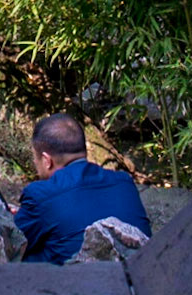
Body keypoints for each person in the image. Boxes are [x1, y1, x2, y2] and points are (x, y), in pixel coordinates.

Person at [12, 113, 152, 265]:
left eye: (35, 158)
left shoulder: (40, 195)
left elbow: (13, 242)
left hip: (78, 277)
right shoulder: (123, 182)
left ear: (47, 160)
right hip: (139, 273)